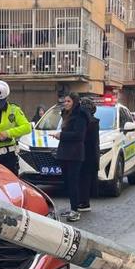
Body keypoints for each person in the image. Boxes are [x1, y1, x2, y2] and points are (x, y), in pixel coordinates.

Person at [49, 93, 87, 222]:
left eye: (68, 101)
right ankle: (72, 207)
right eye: (65, 101)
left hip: (74, 154)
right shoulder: (66, 114)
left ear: (74, 102)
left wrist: (61, 135)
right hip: (65, 152)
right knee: (67, 182)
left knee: (73, 182)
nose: (65, 103)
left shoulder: (80, 115)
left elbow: (79, 135)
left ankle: (75, 210)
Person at [78, 97, 100, 213]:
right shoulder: (92, 121)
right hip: (89, 154)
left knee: (84, 179)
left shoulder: (90, 121)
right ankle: (82, 201)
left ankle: (84, 202)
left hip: (86, 155)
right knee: (84, 179)